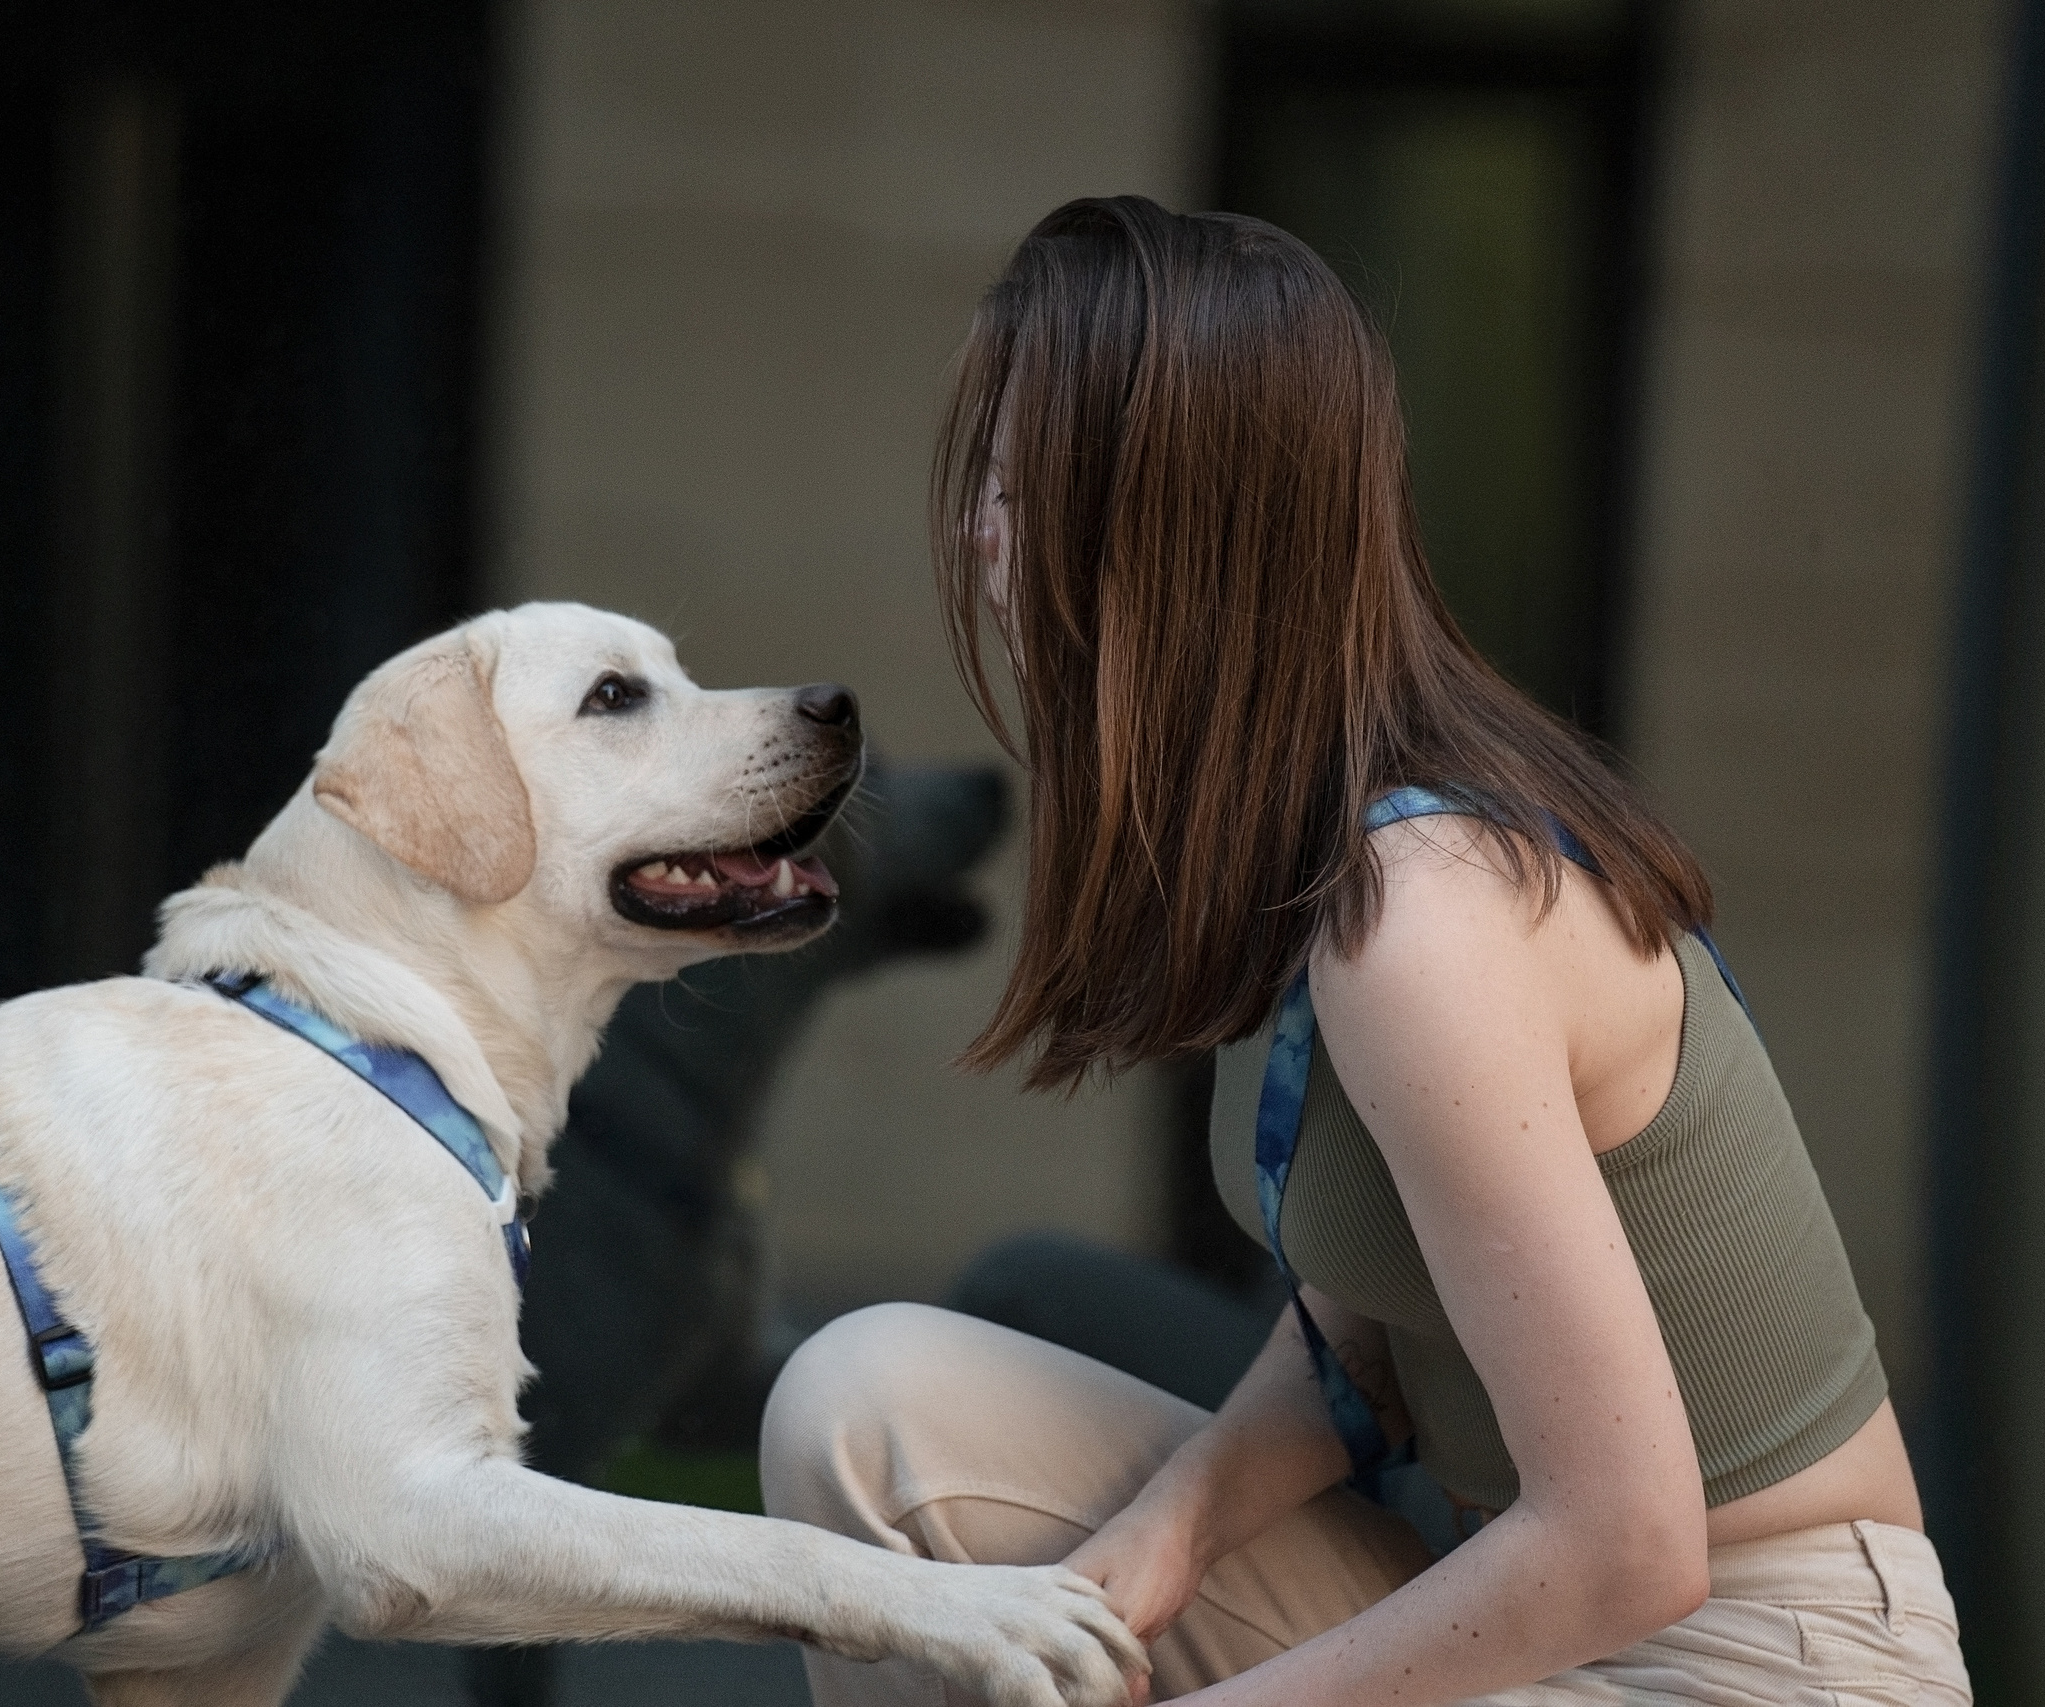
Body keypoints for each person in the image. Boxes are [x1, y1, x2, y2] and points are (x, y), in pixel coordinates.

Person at [758, 196, 1971, 1706]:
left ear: (1151, 522)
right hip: (1539, 1601)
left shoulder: (1427, 920)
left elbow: (1627, 1547)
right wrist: (1166, 1531)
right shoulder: (1318, 857)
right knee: (865, 1407)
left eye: (1012, 482)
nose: (976, 534)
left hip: (1753, 1662)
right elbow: (1370, 1334)